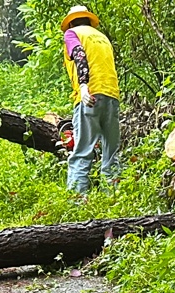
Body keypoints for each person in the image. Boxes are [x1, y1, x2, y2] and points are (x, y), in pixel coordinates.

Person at [60, 4, 122, 193]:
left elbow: (79, 56)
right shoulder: (102, 38)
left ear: (71, 22)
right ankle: (112, 199)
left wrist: (84, 86)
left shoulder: (72, 34)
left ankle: (77, 202)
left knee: (82, 152)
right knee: (110, 154)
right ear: (88, 20)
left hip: (90, 96)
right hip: (111, 96)